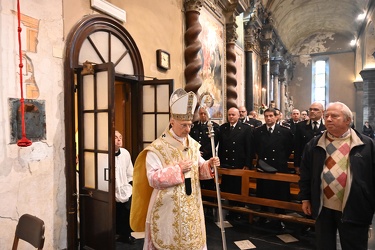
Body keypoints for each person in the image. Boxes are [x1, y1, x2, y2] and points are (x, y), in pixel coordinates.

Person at [130, 89, 220, 250]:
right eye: (183, 125)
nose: (187, 130)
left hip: (191, 204)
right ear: (172, 122)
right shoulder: (157, 148)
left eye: (190, 125)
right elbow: (153, 178)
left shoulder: (192, 144)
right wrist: (178, 169)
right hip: (167, 206)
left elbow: (199, 169)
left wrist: (209, 164)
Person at [299, 102, 375, 250]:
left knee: (354, 245)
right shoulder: (314, 144)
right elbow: (306, 173)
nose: (328, 119)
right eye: (326, 115)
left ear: (348, 120)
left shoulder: (366, 145)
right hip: (323, 206)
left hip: (355, 206)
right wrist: (305, 198)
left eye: (334, 116)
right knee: (324, 245)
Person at [252, 108, 294, 228]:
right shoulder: (258, 131)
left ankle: (280, 216)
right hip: (263, 166)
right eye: (266, 116)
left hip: (279, 166)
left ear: (276, 117)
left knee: (279, 191)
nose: (268, 118)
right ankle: (263, 214)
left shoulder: (285, 131)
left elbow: (288, 148)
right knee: (264, 190)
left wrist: (281, 159)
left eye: (271, 116)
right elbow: (256, 148)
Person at [217, 107, 252, 195]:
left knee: (238, 189)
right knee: (227, 189)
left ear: (238, 116)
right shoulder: (223, 128)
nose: (231, 117)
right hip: (226, 163)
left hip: (239, 163)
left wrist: (247, 164)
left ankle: (239, 206)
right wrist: (220, 162)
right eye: (229, 115)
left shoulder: (246, 128)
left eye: (233, 115)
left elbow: (249, 148)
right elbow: (221, 146)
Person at [189, 106, 220, 198]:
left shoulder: (214, 126)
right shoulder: (194, 126)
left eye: (205, 113)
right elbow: (191, 140)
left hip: (207, 158)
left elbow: (214, 143)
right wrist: (196, 152)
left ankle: (209, 206)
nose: (203, 115)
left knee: (208, 182)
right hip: (195, 157)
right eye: (201, 113)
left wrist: (203, 152)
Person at [114, 130, 135, 244]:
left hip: (125, 188)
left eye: (120, 137)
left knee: (126, 212)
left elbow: (129, 172)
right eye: (116, 137)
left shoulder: (125, 153)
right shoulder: (104, 154)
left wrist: (129, 186)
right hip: (112, 190)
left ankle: (125, 235)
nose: (119, 139)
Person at [294, 102, 326, 174]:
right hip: (305, 161)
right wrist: (296, 164)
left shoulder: (326, 126)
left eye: (315, 109)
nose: (312, 111)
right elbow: (297, 146)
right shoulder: (301, 126)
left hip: (322, 162)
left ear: (322, 112)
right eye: (310, 109)